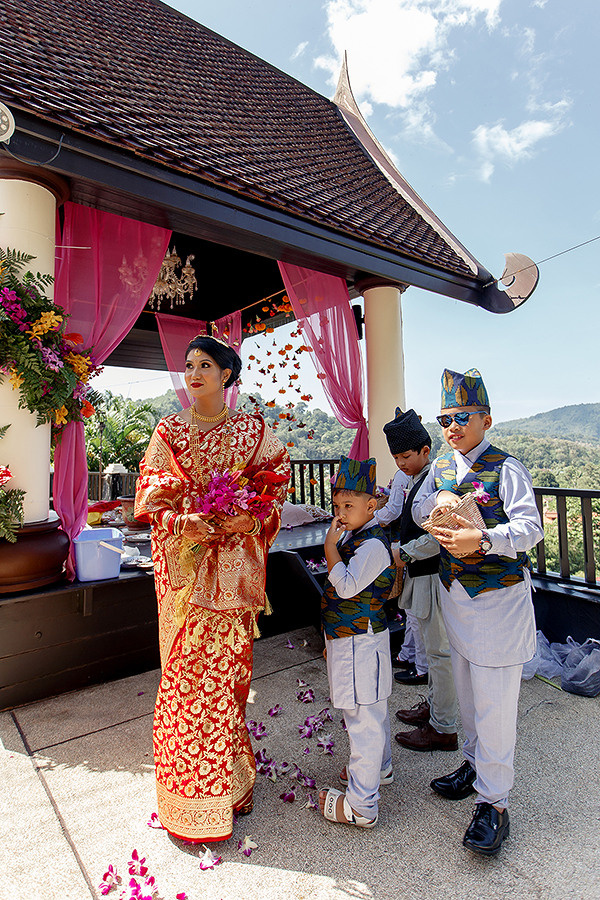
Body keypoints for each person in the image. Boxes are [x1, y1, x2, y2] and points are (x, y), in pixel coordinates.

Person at [135, 335, 290, 843]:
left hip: (232, 577)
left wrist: (248, 517)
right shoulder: (169, 430)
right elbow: (150, 492)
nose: (193, 372)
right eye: (188, 364)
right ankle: (187, 800)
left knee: (223, 684)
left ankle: (231, 787)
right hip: (183, 575)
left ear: (227, 375)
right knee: (182, 684)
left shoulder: (252, 429)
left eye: (205, 365)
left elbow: (275, 482)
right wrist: (187, 520)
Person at [413, 368, 543, 856]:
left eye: (461, 417)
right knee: (468, 693)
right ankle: (472, 763)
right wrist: (440, 501)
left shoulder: (507, 467)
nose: (452, 426)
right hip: (456, 597)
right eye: (445, 418)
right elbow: (421, 506)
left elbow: (531, 528)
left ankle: (495, 802)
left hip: (498, 601)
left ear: (486, 419)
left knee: (494, 705)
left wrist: (484, 538)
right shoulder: (442, 465)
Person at [318, 456, 396, 829]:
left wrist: (330, 548)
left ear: (372, 506)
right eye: (337, 507)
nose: (341, 514)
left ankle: (362, 806)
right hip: (352, 640)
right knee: (368, 715)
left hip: (359, 642)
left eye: (349, 506)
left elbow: (346, 586)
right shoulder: (358, 536)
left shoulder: (373, 546)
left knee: (363, 718)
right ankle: (378, 770)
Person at [381, 407, 458, 751]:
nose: (400, 463)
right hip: (420, 573)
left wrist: (406, 552)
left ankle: (443, 726)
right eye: (396, 457)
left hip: (431, 574)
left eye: (406, 456)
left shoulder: (438, 478)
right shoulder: (418, 477)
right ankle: (435, 707)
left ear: (426, 451)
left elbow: (443, 533)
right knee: (432, 649)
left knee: (440, 654)